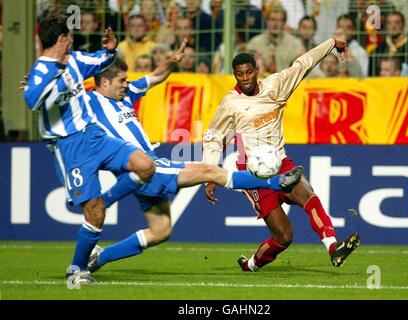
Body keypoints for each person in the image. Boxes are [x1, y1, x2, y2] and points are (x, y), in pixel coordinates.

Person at [82, 39, 303, 274]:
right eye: (122, 81)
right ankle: (275, 181)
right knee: (210, 171)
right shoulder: (89, 103)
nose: (126, 84)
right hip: (146, 167)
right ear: (104, 82)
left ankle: (100, 258)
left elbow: (155, 76)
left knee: (160, 232)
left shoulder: (127, 94)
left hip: (145, 171)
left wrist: (172, 60)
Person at [202, 37, 360, 272]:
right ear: (235, 75)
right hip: (252, 174)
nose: (244, 79)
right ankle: (251, 264)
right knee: (284, 236)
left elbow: (304, 64)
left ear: (257, 71)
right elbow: (214, 138)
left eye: (248, 73)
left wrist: (330, 43)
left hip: (280, 162)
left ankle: (333, 247)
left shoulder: (276, 85)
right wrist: (210, 173)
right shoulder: (231, 103)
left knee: (308, 194)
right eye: (239, 74)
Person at [22, 14, 156, 284]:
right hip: (69, 146)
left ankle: (107, 199)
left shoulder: (76, 61)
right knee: (95, 213)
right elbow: (32, 99)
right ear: (61, 39)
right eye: (69, 37)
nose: (72, 41)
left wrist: (109, 50)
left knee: (145, 164)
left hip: (95, 136)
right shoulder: (42, 69)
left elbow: (100, 61)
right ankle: (76, 269)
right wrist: (58, 80)